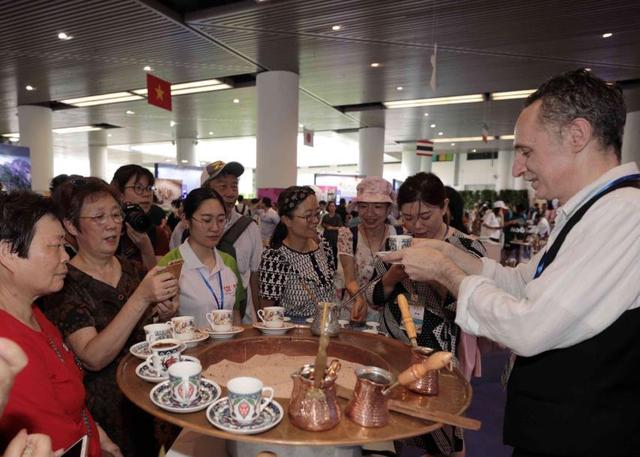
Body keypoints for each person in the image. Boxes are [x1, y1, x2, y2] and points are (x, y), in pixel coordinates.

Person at [384, 69, 640, 456]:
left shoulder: (624, 213)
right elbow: (524, 281)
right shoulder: (593, 211)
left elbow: (530, 326)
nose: (518, 168)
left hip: (586, 436)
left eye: (526, 151)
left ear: (577, 135)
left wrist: (445, 273)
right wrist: (446, 253)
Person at [41, 178, 179, 457]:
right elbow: (92, 356)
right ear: (70, 226)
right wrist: (141, 298)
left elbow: (152, 332)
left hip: (150, 400)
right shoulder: (64, 284)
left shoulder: (134, 269)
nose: (112, 224)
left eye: (116, 215)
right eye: (98, 216)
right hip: (106, 415)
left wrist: (165, 312)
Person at [366, 173, 485, 456]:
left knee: (439, 435)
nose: (415, 226)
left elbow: (474, 308)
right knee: (385, 430)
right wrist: (392, 278)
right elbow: (371, 297)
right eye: (407, 217)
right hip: (392, 349)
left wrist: (436, 274)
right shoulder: (398, 243)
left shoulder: (467, 248)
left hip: (438, 357)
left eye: (425, 216)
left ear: (444, 206)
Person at [0, 191, 120, 457]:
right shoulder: (7, 350)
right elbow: (54, 438)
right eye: (55, 246)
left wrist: (97, 433)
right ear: (8, 253)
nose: (66, 256)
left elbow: (69, 401)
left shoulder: (33, 311)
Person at [158, 188, 245, 328]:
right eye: (206, 220)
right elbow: (159, 324)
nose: (215, 227)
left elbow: (235, 314)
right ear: (186, 220)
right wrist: (166, 315)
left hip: (224, 347)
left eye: (221, 220)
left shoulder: (229, 262)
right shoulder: (169, 264)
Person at [259, 186, 336, 321]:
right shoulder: (275, 258)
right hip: (293, 337)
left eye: (317, 214)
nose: (315, 221)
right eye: (307, 216)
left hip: (326, 331)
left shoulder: (324, 247)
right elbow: (268, 315)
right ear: (287, 220)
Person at [200, 161, 263, 323]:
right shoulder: (185, 228)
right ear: (205, 191)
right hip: (199, 321)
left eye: (234, 186)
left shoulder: (250, 228)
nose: (230, 193)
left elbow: (254, 277)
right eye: (222, 187)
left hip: (241, 319)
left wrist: (259, 319)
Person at [337, 177, 400, 323]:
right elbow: (350, 279)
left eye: (377, 207)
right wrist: (360, 299)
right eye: (364, 206)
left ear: (388, 209)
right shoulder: (348, 235)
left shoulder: (400, 235)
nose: (369, 213)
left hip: (390, 318)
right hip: (354, 312)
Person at [111, 165, 170, 270]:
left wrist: (146, 248)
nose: (147, 194)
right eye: (138, 188)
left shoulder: (157, 233)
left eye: (149, 188)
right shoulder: (108, 230)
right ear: (119, 194)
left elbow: (159, 278)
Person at [321, 201, 342, 268]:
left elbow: (340, 227)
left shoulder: (337, 216)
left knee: (334, 253)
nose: (332, 208)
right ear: (328, 207)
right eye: (330, 206)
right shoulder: (325, 216)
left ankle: (334, 268)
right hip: (326, 236)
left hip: (334, 237)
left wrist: (332, 228)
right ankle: (327, 266)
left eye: (333, 206)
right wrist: (325, 226)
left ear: (335, 208)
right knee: (326, 253)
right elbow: (322, 224)